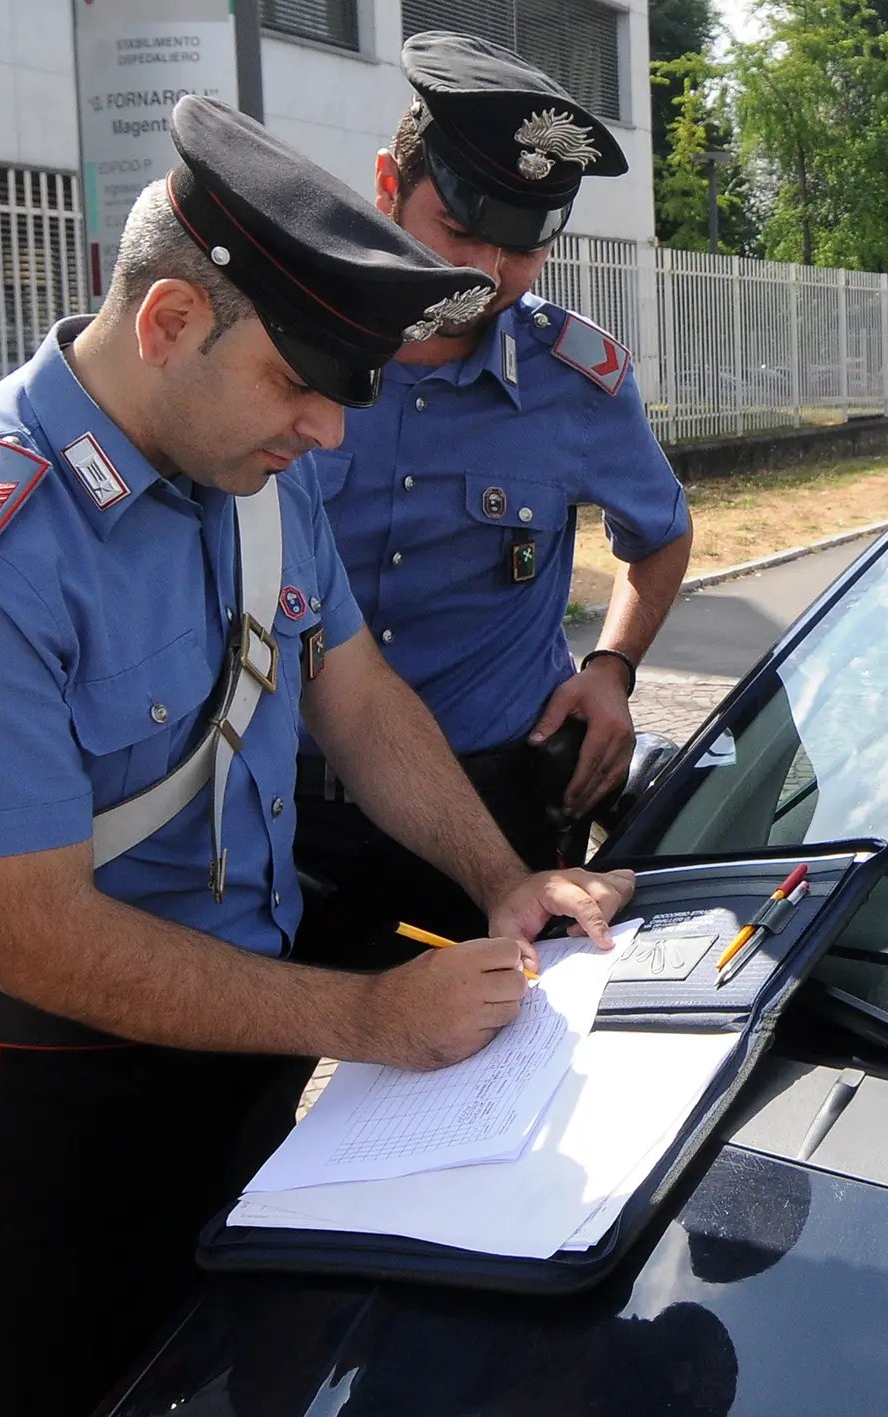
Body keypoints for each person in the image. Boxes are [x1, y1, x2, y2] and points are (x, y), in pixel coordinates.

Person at [0, 96, 635, 1417]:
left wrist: (503, 880)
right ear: (165, 325)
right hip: (36, 1095)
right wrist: (363, 1016)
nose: (327, 432)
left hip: (237, 1049)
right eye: (298, 384)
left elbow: (358, 698)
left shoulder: (257, 467)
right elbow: (37, 936)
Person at [292, 32, 694, 964]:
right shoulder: (286, 352)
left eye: (523, 246)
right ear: (388, 182)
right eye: (463, 229)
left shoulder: (575, 381)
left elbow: (660, 534)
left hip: (492, 820)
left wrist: (613, 667)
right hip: (281, 812)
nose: (489, 273)